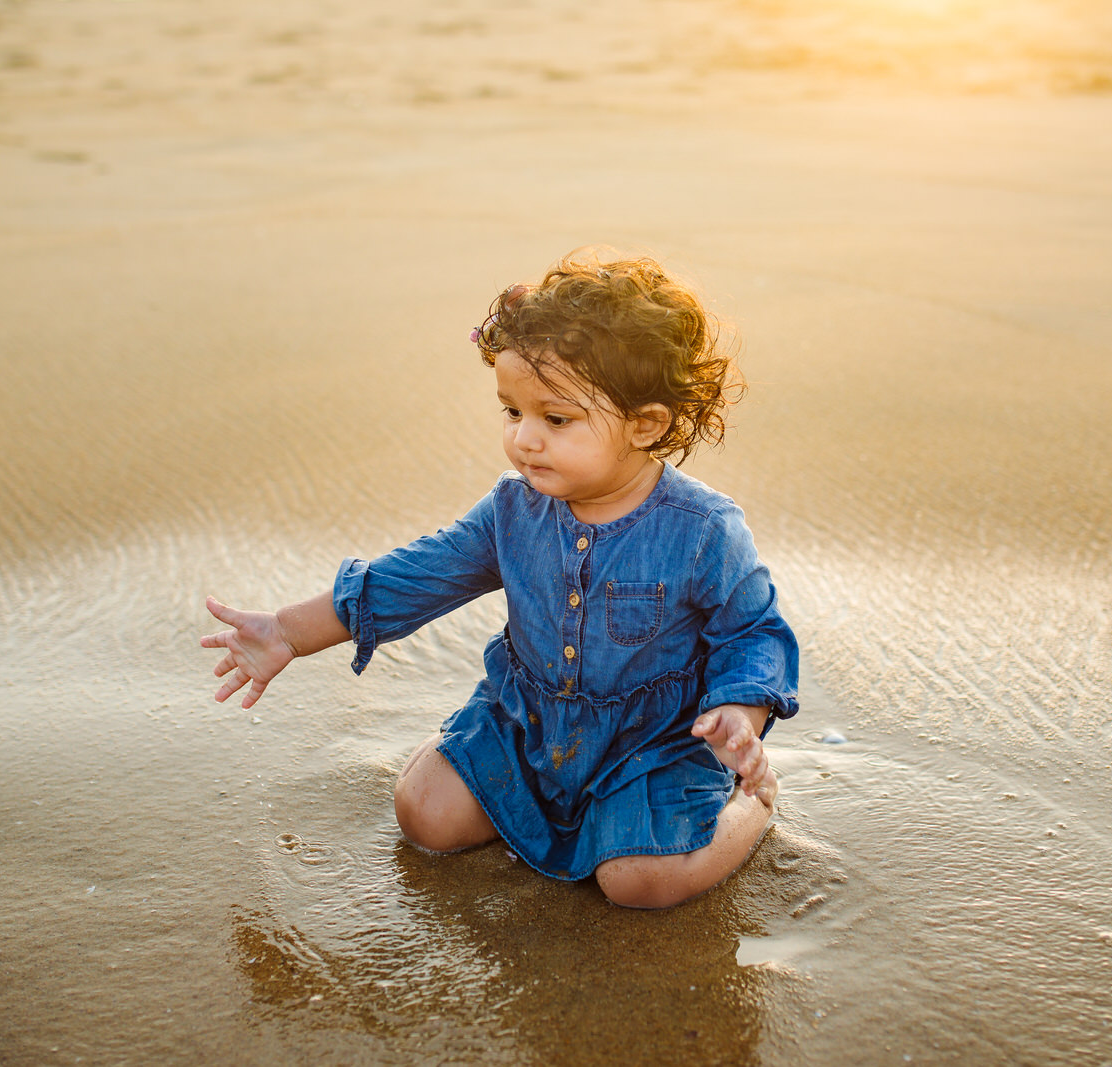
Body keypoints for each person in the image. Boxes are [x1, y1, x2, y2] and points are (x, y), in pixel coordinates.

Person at [200, 251, 799, 908]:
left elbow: (755, 631)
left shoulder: (703, 528)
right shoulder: (513, 511)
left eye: (556, 419)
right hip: (527, 723)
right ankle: (477, 758)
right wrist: (289, 630)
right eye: (512, 412)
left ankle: (752, 805)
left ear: (645, 424)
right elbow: (416, 576)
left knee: (638, 884)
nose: (525, 439)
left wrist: (740, 714)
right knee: (423, 812)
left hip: (651, 749)